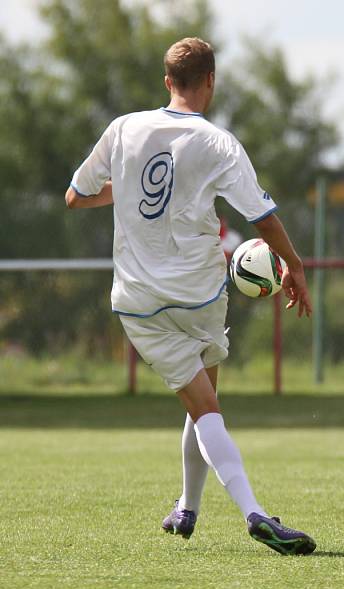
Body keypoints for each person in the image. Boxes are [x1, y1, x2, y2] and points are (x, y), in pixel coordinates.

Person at [64, 37, 315, 554]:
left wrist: (127, 191)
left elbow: (76, 196)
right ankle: (254, 513)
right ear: (211, 81)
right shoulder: (219, 143)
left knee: (202, 405)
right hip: (200, 294)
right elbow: (262, 217)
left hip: (138, 301)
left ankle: (187, 507)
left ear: (166, 81)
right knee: (205, 405)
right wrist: (294, 264)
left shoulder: (124, 128)